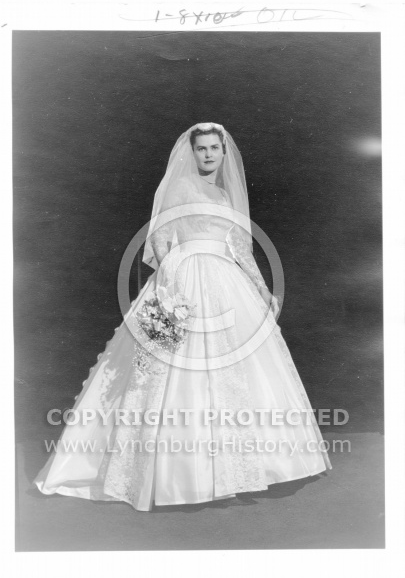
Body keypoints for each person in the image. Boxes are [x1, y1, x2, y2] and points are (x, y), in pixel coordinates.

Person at [35, 123, 332, 511]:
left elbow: (240, 249)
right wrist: (170, 289)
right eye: (201, 148)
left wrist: (262, 289)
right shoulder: (179, 189)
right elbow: (160, 240)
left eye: (214, 148)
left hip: (227, 281)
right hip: (185, 277)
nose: (208, 154)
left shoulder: (225, 195)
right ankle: (184, 477)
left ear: (224, 152)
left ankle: (244, 469)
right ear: (191, 153)